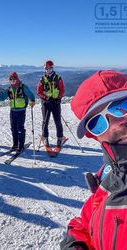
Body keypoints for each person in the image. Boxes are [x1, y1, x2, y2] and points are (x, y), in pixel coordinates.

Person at [60, 70, 127, 250]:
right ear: (95, 136)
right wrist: (75, 244)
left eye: (121, 106)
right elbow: (86, 222)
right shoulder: (110, 177)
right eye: (98, 123)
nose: (116, 125)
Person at [0, 72, 35, 152]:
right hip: (13, 111)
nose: (12, 81)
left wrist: (32, 100)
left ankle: (21, 145)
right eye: (11, 79)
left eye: (14, 79)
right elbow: (3, 97)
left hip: (21, 111)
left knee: (20, 128)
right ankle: (15, 144)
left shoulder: (23, 87)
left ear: (17, 79)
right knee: (13, 128)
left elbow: (30, 94)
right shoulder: (9, 89)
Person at [37, 60, 65, 150]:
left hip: (56, 102)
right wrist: (46, 98)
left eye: (49, 68)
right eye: (46, 68)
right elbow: (39, 91)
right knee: (45, 121)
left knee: (57, 121)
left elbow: (62, 89)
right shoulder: (42, 79)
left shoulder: (58, 78)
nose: (47, 70)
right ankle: (45, 138)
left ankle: (60, 138)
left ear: (52, 68)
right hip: (46, 103)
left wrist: (58, 98)